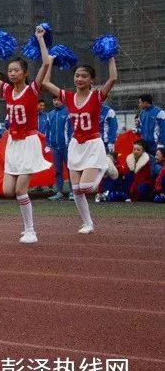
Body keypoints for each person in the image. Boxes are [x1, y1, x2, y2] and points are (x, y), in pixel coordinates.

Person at [40, 29, 118, 230]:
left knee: (88, 187)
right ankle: (87, 222)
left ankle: (105, 165)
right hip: (76, 144)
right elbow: (46, 82)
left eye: (84, 76)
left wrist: (110, 57)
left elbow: (113, 80)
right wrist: (49, 60)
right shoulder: (68, 97)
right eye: (77, 75)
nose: (79, 79)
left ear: (91, 80)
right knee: (76, 190)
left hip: (93, 143)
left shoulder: (97, 97)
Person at [0, 29, 53, 243]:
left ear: (25, 73)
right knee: (7, 191)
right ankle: (27, 226)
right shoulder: (5, 90)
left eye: (16, 70)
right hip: (13, 143)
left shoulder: (32, 90)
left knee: (21, 189)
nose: (11, 73)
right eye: (10, 70)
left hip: (29, 142)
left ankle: (30, 230)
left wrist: (40, 39)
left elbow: (46, 63)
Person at [45, 94, 73, 201]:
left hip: (66, 147)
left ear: (63, 100)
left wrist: (71, 143)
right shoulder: (50, 114)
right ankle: (59, 192)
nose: (56, 102)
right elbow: (47, 131)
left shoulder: (68, 112)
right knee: (58, 170)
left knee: (71, 169)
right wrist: (47, 144)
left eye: (58, 100)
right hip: (55, 147)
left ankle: (73, 192)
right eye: (54, 100)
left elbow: (71, 129)